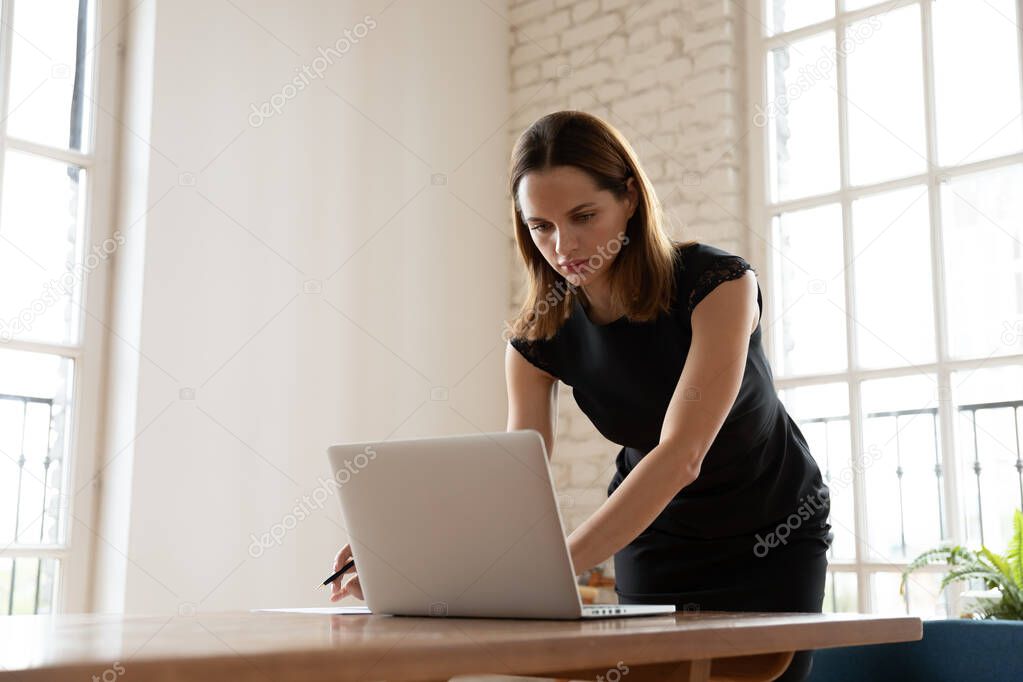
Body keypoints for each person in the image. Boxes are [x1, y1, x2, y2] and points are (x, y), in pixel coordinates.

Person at [329, 110, 831, 682]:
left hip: (772, 529)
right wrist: (407, 557)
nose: (562, 245)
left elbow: (681, 454)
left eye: (584, 216)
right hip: (655, 537)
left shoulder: (717, 284)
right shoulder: (537, 336)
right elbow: (513, 480)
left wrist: (544, 571)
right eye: (540, 225)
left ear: (631, 199)